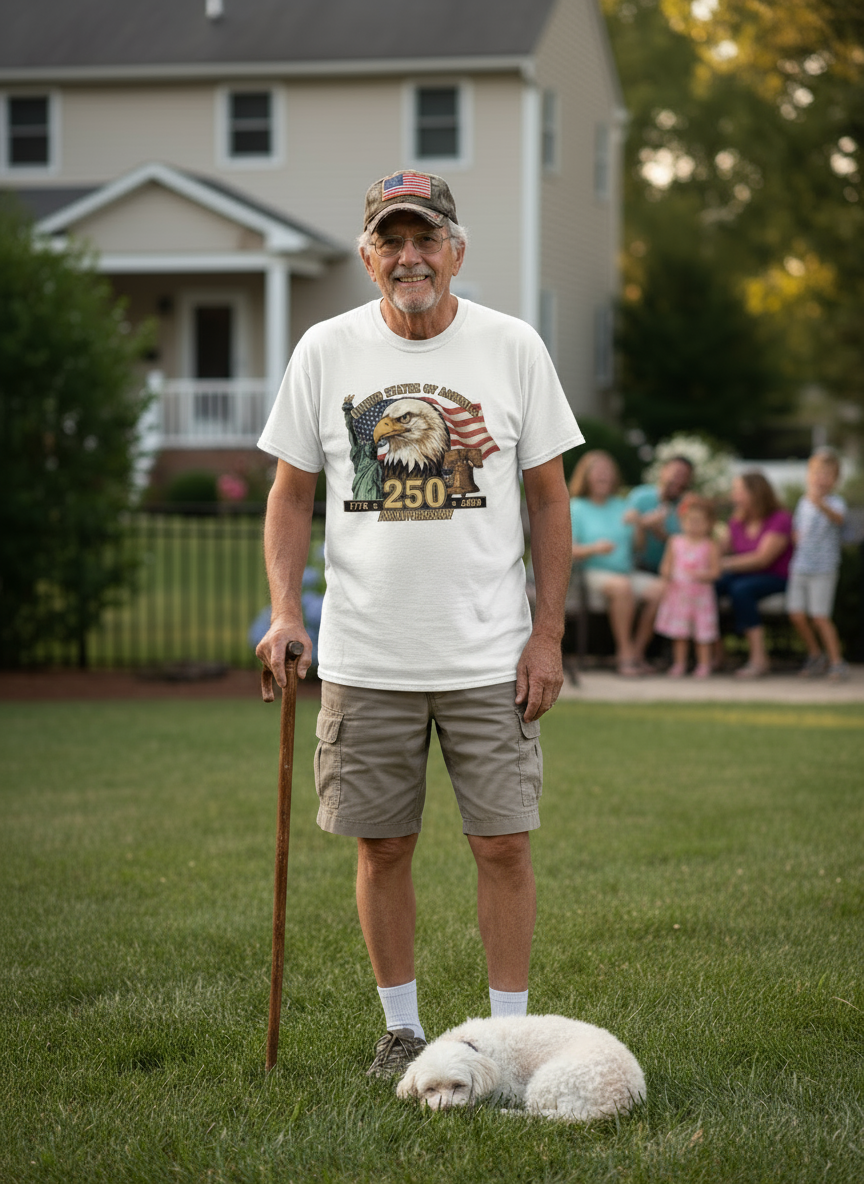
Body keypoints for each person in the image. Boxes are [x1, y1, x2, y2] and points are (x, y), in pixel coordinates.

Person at [255, 170, 583, 1079]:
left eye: (426, 238)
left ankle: (508, 1037)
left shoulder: (512, 347)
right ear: (369, 258)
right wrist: (288, 610)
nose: (410, 256)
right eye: (391, 242)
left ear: (456, 250)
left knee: (504, 844)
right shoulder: (325, 350)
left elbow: (550, 502)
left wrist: (546, 635)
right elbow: (289, 499)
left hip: (488, 652)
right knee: (384, 844)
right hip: (366, 654)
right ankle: (400, 1030)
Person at [568, 450, 664, 675]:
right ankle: (624, 654)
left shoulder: (622, 505)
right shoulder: (576, 507)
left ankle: (637, 652)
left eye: (608, 472)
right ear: (586, 476)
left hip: (625, 571)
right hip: (591, 572)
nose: (605, 476)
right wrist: (594, 548)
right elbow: (567, 550)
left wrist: (639, 525)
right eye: (599, 471)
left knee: (661, 589)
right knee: (622, 587)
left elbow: (639, 548)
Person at [715, 471, 793, 677]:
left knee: (741, 590)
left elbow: (762, 559)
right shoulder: (736, 521)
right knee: (712, 585)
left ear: (755, 492)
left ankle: (759, 659)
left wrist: (724, 564)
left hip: (776, 577)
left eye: (738, 491)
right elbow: (720, 550)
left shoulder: (780, 519)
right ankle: (716, 654)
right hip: (744, 575)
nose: (734, 496)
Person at [787, 448, 849, 680]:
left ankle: (837, 662)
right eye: (817, 473)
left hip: (824, 569)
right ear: (809, 475)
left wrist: (820, 503)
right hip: (800, 567)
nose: (821, 479)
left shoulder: (835, 502)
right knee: (796, 614)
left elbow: (839, 519)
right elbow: (797, 530)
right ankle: (816, 655)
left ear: (835, 479)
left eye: (827, 474)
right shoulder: (804, 503)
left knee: (820, 616)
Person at [655, 494, 721, 678]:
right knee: (680, 634)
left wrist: (702, 575)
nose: (694, 525)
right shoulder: (675, 542)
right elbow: (666, 566)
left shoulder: (710, 545)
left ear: (709, 524)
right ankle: (680, 664)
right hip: (679, 596)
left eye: (699, 521)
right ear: (682, 521)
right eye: (690, 521)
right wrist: (667, 574)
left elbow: (716, 572)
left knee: (703, 634)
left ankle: (704, 664)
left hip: (701, 599)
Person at [626, 456, 694, 573]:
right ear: (663, 471)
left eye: (685, 476)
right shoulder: (639, 497)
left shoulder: (689, 507)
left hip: (672, 572)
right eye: (676, 473)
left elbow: (693, 547)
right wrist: (642, 524)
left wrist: (662, 535)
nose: (679, 481)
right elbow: (624, 535)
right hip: (636, 567)